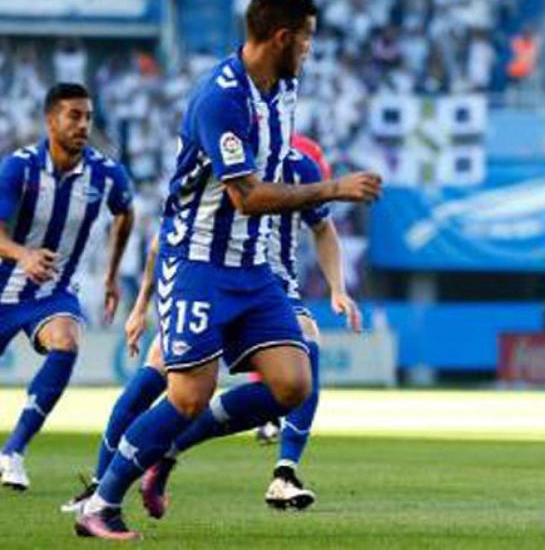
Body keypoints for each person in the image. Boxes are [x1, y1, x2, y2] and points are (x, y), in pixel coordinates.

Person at [74, 0, 381, 540]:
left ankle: (164, 452)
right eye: (307, 38)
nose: (311, 50)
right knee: (186, 393)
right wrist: (332, 188)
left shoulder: (284, 88)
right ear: (283, 37)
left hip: (251, 266)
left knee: (293, 383)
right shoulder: (220, 98)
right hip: (195, 261)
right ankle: (101, 502)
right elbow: (246, 196)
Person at [62, 144, 361, 513]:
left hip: (270, 288)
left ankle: (283, 472)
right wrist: (140, 306)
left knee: (301, 358)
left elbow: (323, 227)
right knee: (160, 382)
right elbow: (162, 240)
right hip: (205, 282)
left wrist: (337, 288)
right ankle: (101, 484)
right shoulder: (222, 157)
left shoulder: (299, 168)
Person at [0, 82, 134, 490]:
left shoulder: (107, 174)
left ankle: (12, 452)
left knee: (66, 340)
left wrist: (111, 275)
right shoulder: (18, 168)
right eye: (73, 116)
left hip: (51, 292)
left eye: (88, 117)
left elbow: (125, 214)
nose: (82, 125)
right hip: (4, 287)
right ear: (50, 119)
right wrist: (22, 254)